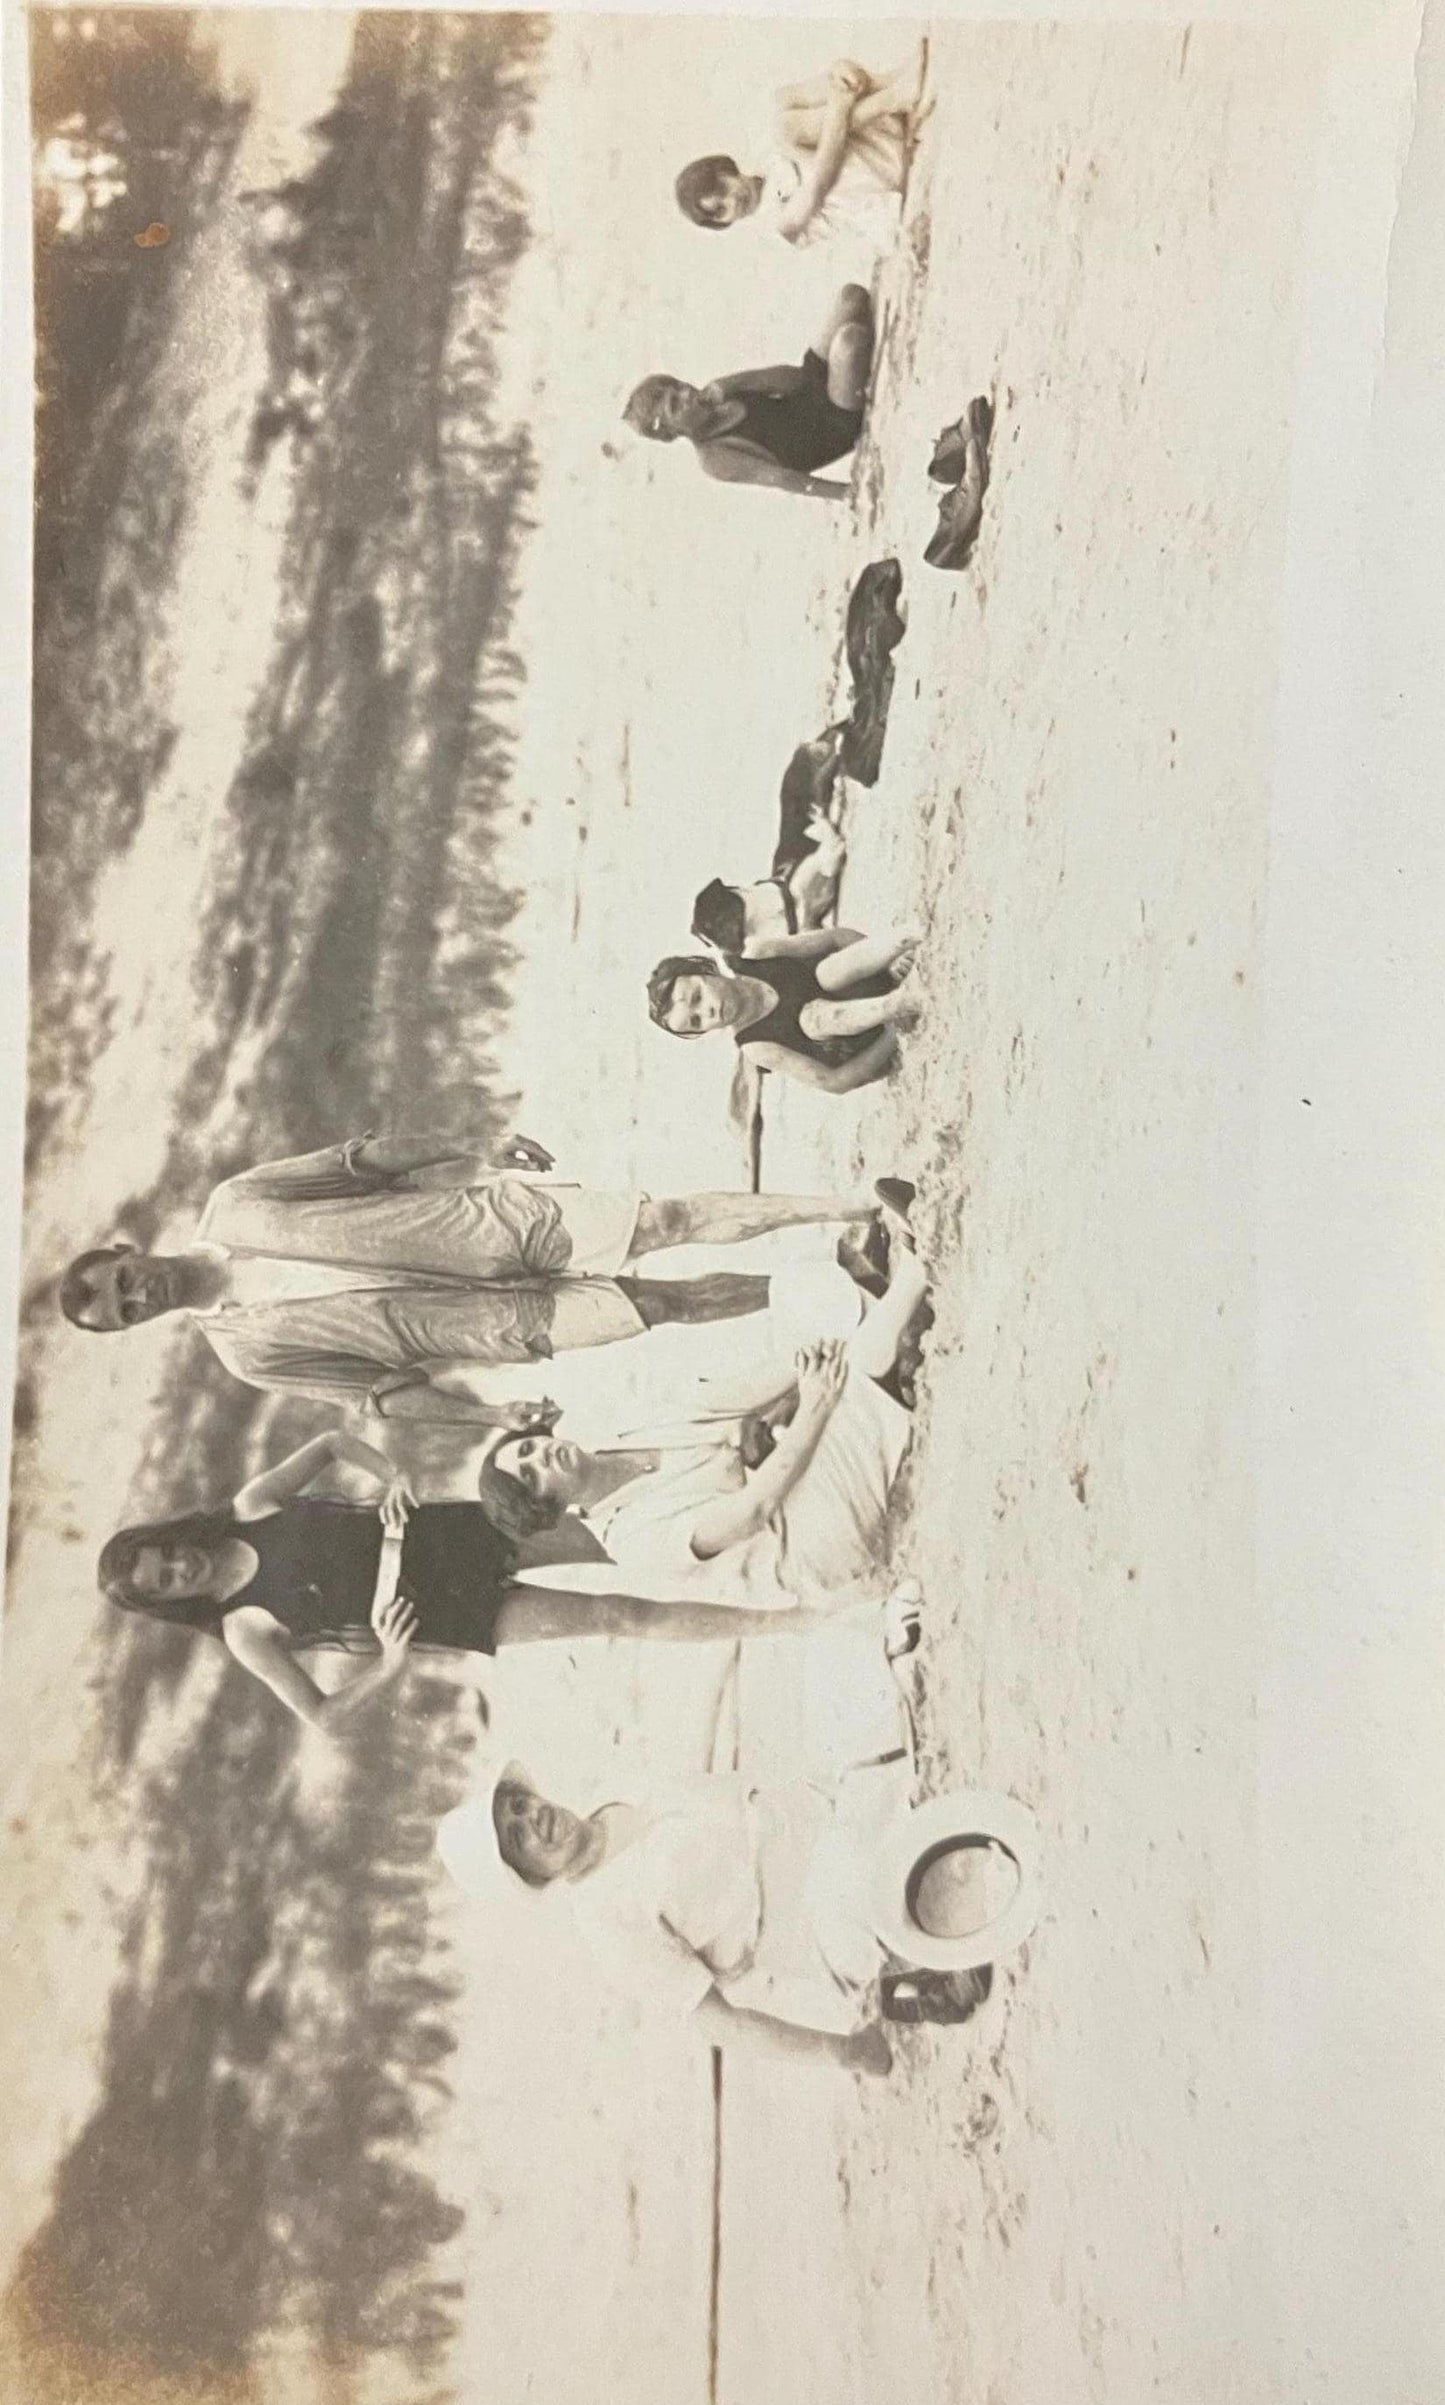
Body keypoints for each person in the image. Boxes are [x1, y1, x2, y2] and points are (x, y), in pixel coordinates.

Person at [98, 1425, 894, 1740]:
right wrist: (392, 1664)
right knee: (620, 1611)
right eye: (164, 1584)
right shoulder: (242, 1631)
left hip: (442, 1529)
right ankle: (791, 1621)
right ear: (170, 1603)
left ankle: (769, 1500)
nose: (177, 1569)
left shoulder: (250, 1506)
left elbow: (334, 1442)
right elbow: (323, 1715)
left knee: (623, 1534)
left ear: (171, 1536)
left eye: (164, 1555)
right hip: (437, 1609)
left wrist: (393, 1472)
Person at [58, 1129, 884, 1421]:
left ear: (126, 1250)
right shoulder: (246, 1355)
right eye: (127, 1312)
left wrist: (476, 1145)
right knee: (660, 1304)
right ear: (136, 1324)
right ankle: (834, 1278)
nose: (140, 1295)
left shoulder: (237, 1201)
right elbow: (377, 1396)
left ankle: (846, 1208)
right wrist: (490, 1419)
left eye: (122, 1282)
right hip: (490, 1330)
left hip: (483, 1228)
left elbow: (365, 1160)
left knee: (664, 1221)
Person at [486, 1203, 929, 1619]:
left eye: (527, 1448)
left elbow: (735, 1393)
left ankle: (889, 1329)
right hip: (806, 1538)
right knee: (846, 1383)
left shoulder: (625, 1433)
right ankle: (916, 1274)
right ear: (548, 1508)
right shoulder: (631, 1539)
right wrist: (814, 1404)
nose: (540, 1456)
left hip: (794, 1473)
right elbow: (755, 1509)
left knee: (804, 1309)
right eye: (531, 1476)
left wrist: (812, 1362)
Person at [437, 1747, 990, 2070]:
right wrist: (847, 2053)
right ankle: (917, 1965)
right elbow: (720, 2022)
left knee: (848, 1664)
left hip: (819, 1810)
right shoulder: (608, 1925)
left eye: (518, 1803)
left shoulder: (618, 1787)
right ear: (528, 1874)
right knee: (862, 1871)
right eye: (517, 1839)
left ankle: (916, 1930)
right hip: (814, 1915)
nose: (531, 1817)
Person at [623, 286, 874, 500]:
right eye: (676, 404)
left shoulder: (720, 393)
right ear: (672, 432)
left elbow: (796, 378)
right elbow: (780, 478)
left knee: (852, 297)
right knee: (851, 341)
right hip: (831, 427)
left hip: (808, 397)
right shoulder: (713, 457)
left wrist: (737, 382)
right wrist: (846, 492)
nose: (687, 392)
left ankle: (853, 371)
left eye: (678, 386)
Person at [674, 46, 929, 255]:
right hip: (875, 183)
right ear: (723, 223)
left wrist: (837, 74)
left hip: (875, 147)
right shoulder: (776, 225)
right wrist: (839, 106)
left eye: (723, 189)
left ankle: (890, 83)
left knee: (783, 102)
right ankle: (894, 98)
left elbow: (805, 99)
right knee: (786, 130)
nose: (732, 201)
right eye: (721, 211)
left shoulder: (767, 158)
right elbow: (819, 184)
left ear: (725, 170)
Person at [647, 928, 918, 1095]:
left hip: (864, 981)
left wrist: (887, 964)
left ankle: (905, 938)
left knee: (826, 973)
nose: (709, 1011)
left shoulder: (759, 953)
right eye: (697, 1021)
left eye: (698, 996)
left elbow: (836, 938)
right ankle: (895, 1005)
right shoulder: (756, 1046)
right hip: (870, 1041)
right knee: (811, 1020)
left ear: (707, 969)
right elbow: (834, 1081)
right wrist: (893, 1035)